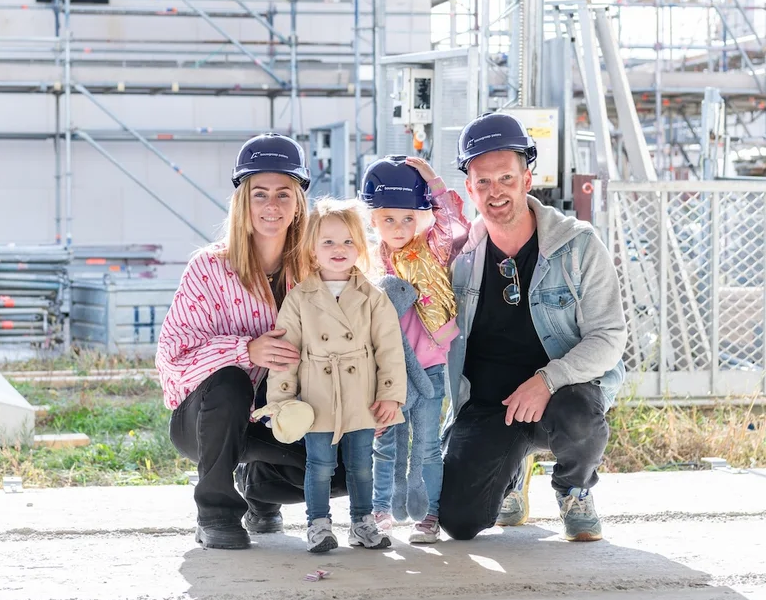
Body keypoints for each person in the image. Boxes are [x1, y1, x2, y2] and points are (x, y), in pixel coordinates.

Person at [439, 113, 627, 542]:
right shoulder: (458, 258)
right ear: (469, 189)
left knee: (579, 413)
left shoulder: (577, 245)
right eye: (482, 182)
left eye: (505, 177)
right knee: (459, 522)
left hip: (561, 396)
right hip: (488, 404)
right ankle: (510, 474)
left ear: (527, 178)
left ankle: (573, 488)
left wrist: (546, 380)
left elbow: (609, 337)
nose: (495, 192)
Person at [157, 133, 347, 550]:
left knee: (345, 471)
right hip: (209, 419)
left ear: (299, 202)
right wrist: (245, 350)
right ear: (243, 202)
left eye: (283, 193)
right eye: (259, 194)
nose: (272, 206)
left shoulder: (319, 272)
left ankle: (259, 491)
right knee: (230, 381)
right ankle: (216, 514)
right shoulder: (208, 268)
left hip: (280, 415)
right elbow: (172, 360)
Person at [262, 198, 408, 553]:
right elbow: (285, 355)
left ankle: (362, 522)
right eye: (328, 241)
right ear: (312, 249)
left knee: (361, 465)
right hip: (317, 397)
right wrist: (281, 401)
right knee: (320, 465)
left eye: (347, 241)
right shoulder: (299, 298)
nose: (338, 249)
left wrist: (390, 395)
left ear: (361, 247)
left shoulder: (374, 297)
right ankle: (318, 524)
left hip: (361, 396)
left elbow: (389, 348)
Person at [360, 155, 468, 544]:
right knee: (386, 442)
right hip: (387, 372)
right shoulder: (368, 263)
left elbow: (455, 222)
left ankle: (430, 513)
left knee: (425, 444)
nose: (400, 227)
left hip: (430, 366)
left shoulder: (431, 249)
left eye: (409, 218)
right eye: (389, 219)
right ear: (373, 219)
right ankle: (381, 509)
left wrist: (432, 180)